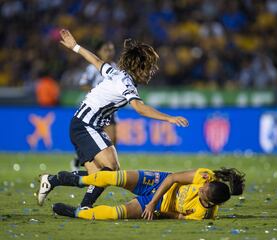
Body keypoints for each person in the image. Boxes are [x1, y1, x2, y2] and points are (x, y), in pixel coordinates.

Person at [37, 29, 189, 208]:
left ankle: (67, 192)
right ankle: (66, 189)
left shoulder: (117, 74)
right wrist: (168, 118)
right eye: (149, 67)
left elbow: (97, 61)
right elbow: (139, 108)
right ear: (139, 67)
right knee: (112, 168)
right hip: (85, 125)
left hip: (84, 125)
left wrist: (75, 47)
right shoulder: (125, 82)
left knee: (97, 177)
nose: (152, 71)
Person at [43, 167, 245, 220]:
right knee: (115, 177)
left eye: (203, 193)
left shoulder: (204, 215)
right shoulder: (206, 176)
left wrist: (156, 211)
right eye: (204, 186)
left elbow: (180, 217)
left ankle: (76, 213)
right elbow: (173, 178)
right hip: (159, 182)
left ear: (210, 201)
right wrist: (151, 202)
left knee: (116, 214)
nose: (201, 188)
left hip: (156, 206)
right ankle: (76, 180)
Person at [71, 41, 117, 171]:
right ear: (98, 52)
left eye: (111, 50)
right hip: (95, 108)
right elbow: (83, 84)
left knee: (113, 140)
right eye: (106, 49)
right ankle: (85, 160)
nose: (109, 52)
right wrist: (97, 91)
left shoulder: (115, 68)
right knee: (100, 139)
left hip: (109, 109)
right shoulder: (93, 68)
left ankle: (104, 166)